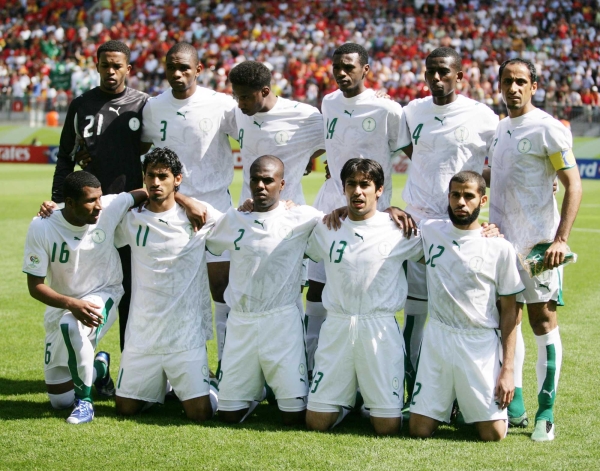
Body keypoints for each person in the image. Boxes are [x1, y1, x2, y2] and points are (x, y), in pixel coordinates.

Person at [485, 58, 582, 442]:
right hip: (501, 245)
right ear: (499, 85)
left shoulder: (547, 129)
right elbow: (501, 176)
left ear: (534, 86)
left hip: (538, 246)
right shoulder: (500, 128)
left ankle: (546, 411)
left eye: (521, 81)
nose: (513, 88)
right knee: (507, 319)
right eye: (507, 81)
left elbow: (572, 184)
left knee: (542, 323)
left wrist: (560, 239)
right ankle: (518, 402)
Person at [397, 47, 500, 406]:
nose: (436, 79)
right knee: (416, 313)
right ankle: (413, 395)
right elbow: (415, 152)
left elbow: (501, 161)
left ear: (460, 75)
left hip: (462, 229)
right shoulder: (411, 112)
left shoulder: (482, 115)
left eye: (443, 72)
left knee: (463, 316)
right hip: (419, 227)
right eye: (430, 73)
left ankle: (467, 396)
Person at [305, 43, 406, 377]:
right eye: (337, 67)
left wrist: (389, 203)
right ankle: (312, 364)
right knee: (318, 285)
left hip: (372, 216)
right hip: (332, 208)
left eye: (348, 67)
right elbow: (332, 142)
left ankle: (375, 370)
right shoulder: (329, 102)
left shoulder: (387, 110)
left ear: (366, 70)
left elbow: (417, 154)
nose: (341, 73)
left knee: (370, 289)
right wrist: (312, 158)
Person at [305, 159, 423, 436]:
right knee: (316, 424)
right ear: (343, 188)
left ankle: (367, 397)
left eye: (365, 185)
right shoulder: (326, 227)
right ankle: (350, 398)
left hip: (378, 329)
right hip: (338, 327)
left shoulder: (398, 229)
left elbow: (438, 247)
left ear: (379, 190)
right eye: (351, 185)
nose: (358, 191)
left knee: (387, 428)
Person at [45, 40, 149, 352]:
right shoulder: (82, 105)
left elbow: (157, 152)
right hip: (92, 214)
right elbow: (65, 156)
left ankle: (130, 369)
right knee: (89, 288)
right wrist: (59, 202)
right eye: (106, 65)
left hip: (133, 212)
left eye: (118, 66)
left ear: (128, 69)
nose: (111, 71)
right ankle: (91, 364)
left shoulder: (145, 105)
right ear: (97, 66)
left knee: (133, 292)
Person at [205, 155, 322, 426]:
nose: (260, 185)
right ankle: (247, 388)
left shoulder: (301, 217)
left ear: (282, 184)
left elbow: (343, 219)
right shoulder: (235, 218)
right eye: (255, 179)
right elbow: (209, 241)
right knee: (228, 417)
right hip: (242, 322)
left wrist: (392, 212)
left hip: (282, 322)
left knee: (293, 417)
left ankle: (271, 384)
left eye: (268, 180)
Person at [23, 171, 147, 424]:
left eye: (100, 198)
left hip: (106, 291)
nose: (98, 206)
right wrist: (70, 303)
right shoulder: (42, 226)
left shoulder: (109, 207)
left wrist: (188, 203)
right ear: (69, 203)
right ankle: (100, 367)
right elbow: (35, 286)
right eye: (91, 200)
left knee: (71, 324)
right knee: (59, 401)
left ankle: (86, 404)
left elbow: (147, 192)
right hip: (65, 302)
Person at [140, 42, 238, 361]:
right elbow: (138, 152)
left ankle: (227, 367)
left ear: (198, 69)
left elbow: (258, 131)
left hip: (217, 208)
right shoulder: (154, 107)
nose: (178, 73)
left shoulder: (221, 104)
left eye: (184, 67)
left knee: (222, 289)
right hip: (171, 211)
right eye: (172, 67)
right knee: (173, 292)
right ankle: (178, 369)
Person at [409, 171, 523, 442]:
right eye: (455, 195)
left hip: (479, 342)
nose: (461, 202)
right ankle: (452, 402)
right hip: (439, 337)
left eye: (468, 196)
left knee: (493, 434)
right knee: (418, 430)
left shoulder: (499, 247)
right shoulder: (430, 231)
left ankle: (466, 403)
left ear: (482, 200)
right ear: (448, 198)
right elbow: (386, 224)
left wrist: (508, 370)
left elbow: (511, 311)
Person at [114, 147, 219, 422]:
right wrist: (56, 208)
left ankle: (214, 385)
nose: (155, 183)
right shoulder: (132, 219)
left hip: (185, 335)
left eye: (163, 176)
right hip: (142, 333)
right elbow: (94, 211)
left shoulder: (199, 216)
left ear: (177, 179)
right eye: (150, 176)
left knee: (200, 414)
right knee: (125, 410)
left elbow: (242, 224)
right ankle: (156, 385)